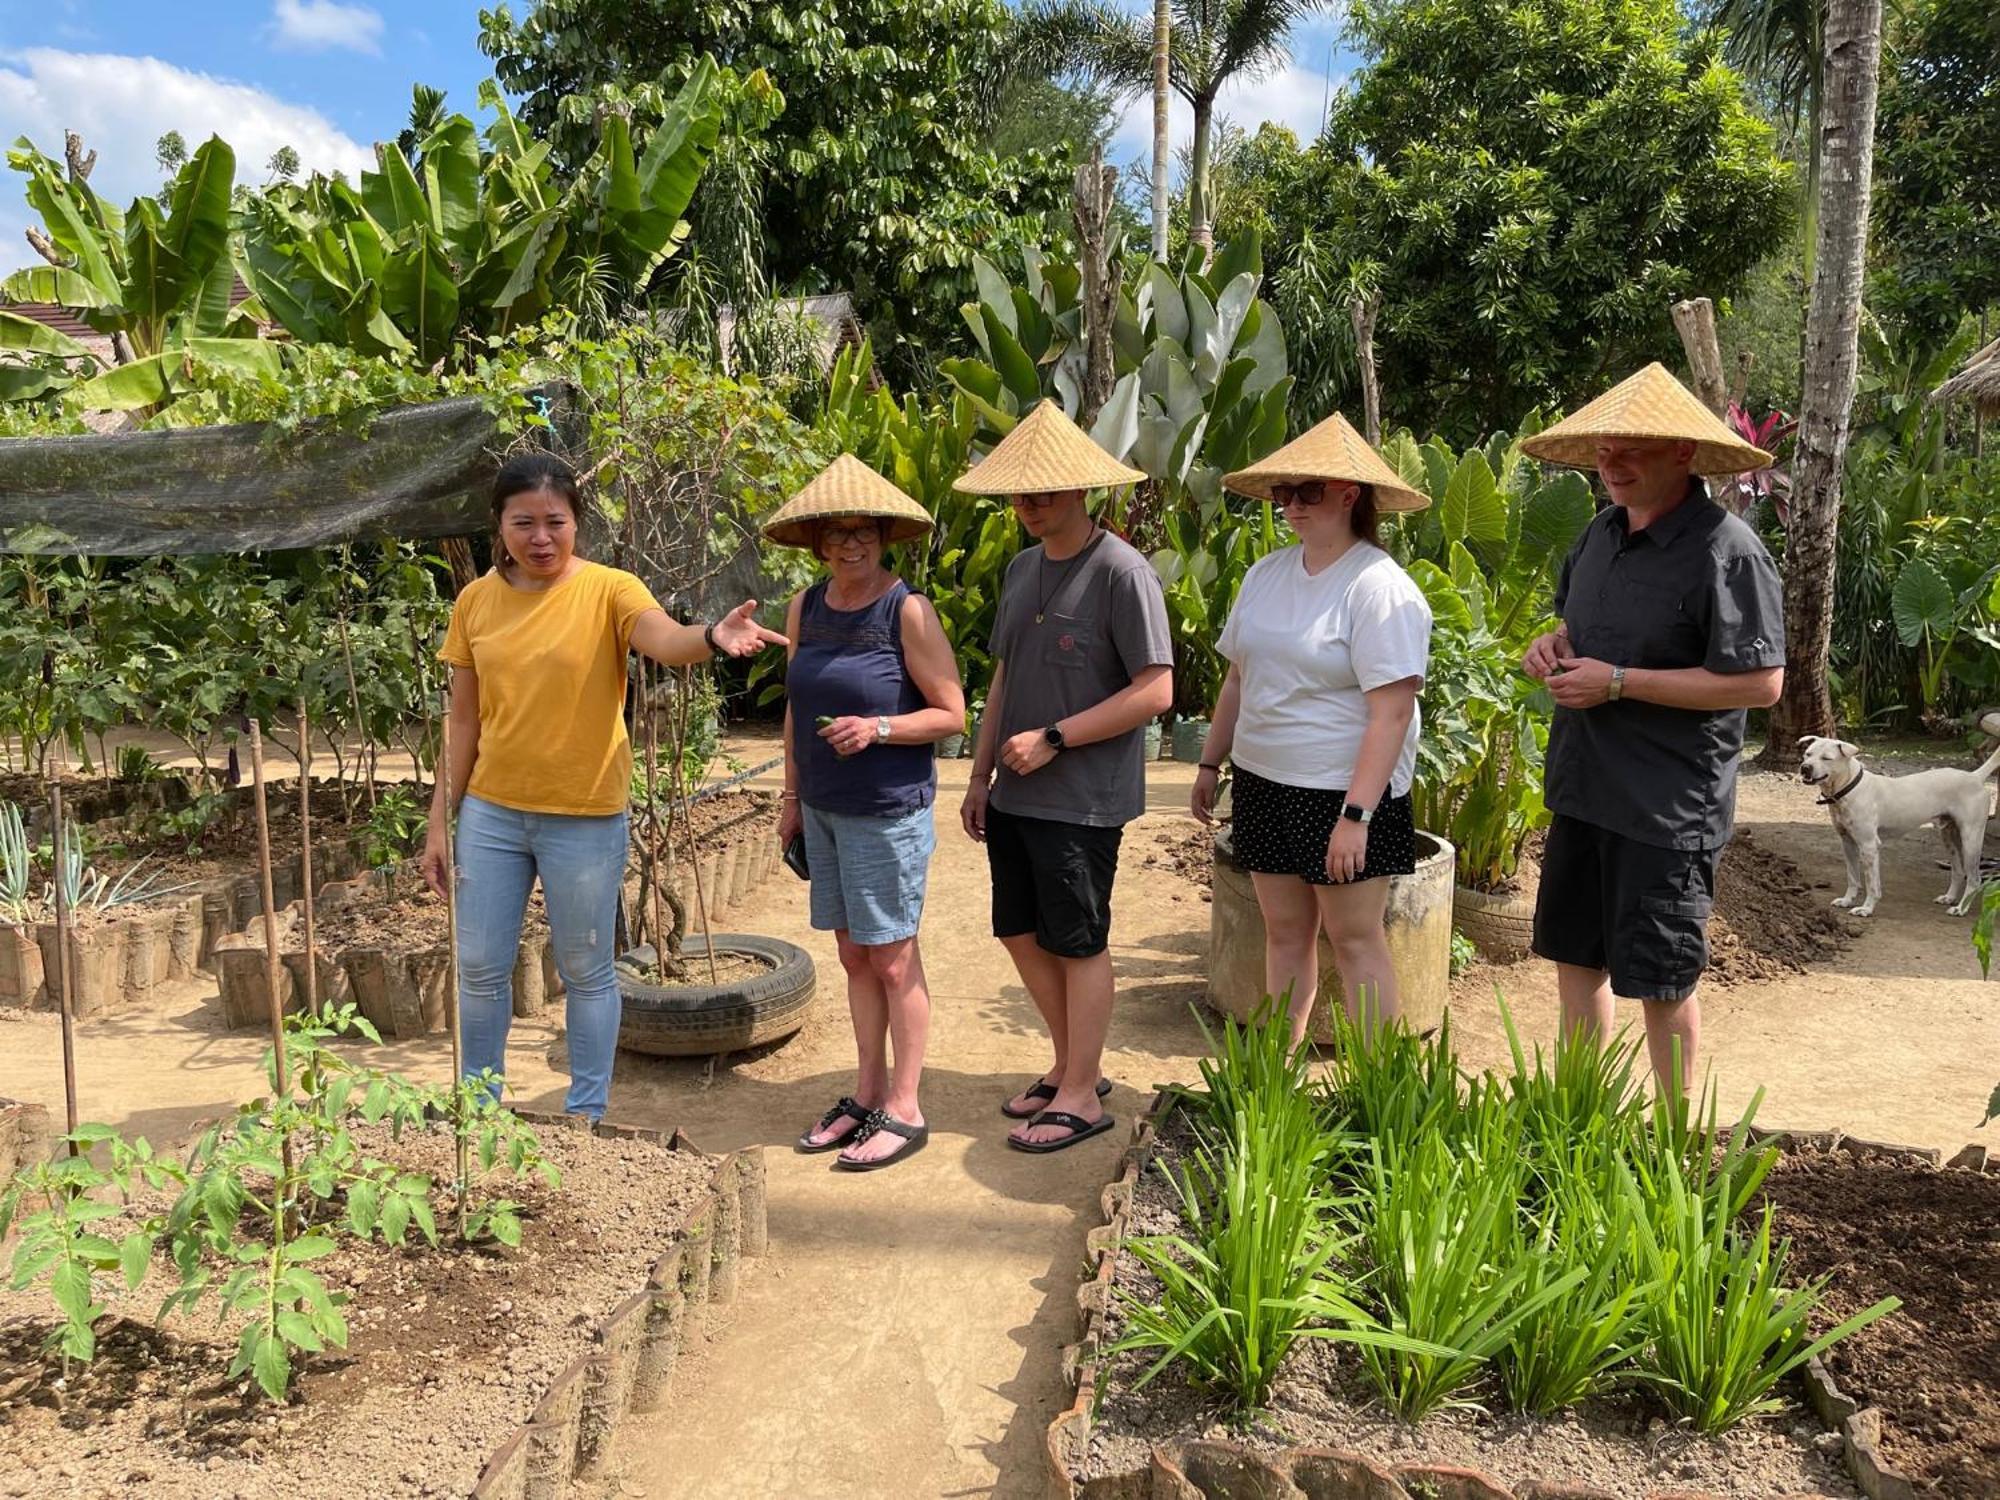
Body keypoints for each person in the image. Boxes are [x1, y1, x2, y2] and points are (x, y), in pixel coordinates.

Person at [422, 453, 786, 1121]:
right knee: (477, 967)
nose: (540, 538)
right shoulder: (475, 601)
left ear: (577, 523)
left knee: (587, 970)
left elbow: (667, 641)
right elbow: (464, 721)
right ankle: (478, 1108)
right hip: (493, 815)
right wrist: (439, 820)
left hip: (584, 816)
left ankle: (585, 1112)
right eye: (523, 522)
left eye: (555, 522)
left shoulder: (610, 589)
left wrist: (712, 634)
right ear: (497, 526)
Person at [1518, 363, 1785, 1090]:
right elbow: (1575, 628)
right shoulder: (1599, 534)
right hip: (1584, 788)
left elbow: (1762, 682)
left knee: (1663, 983)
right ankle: (1579, 1116)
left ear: (1684, 454)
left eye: (1632, 449)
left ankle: (1675, 1148)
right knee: (1577, 961)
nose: (1612, 464)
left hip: (1665, 807)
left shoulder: (1727, 552)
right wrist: (1551, 646)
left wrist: (1622, 684)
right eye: (1605, 450)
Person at [955, 402, 1174, 1153]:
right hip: (1013, 790)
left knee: (1078, 940)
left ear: (1083, 490)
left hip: (1082, 799)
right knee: (1019, 930)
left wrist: (1055, 739)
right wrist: (979, 774)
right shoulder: (1021, 569)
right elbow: (1006, 676)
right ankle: (1070, 1065)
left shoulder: (1123, 573)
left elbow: (1156, 692)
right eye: (1019, 495)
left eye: (1043, 494)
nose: (1028, 507)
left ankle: (1081, 1094)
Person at [1193, 414, 1433, 1045]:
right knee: (1283, 933)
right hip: (1265, 781)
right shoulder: (1265, 574)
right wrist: (1210, 762)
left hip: (1342, 792)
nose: (1293, 506)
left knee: (1354, 938)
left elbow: (1392, 711)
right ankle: (1278, 1070)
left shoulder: (1379, 588)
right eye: (1283, 494)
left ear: (1350, 495)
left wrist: (1356, 815)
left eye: (1308, 492)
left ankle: (1381, 1088)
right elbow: (1239, 679)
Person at [763, 456, 966, 1172]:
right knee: (853, 953)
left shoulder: (904, 609)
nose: (852, 546)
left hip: (886, 811)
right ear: (818, 543)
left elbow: (951, 713)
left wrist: (877, 729)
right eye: (839, 534)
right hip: (822, 806)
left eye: (866, 533)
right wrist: (790, 799)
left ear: (883, 539)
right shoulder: (805, 607)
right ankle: (866, 1092)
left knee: (892, 955)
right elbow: (796, 708)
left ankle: (905, 1109)